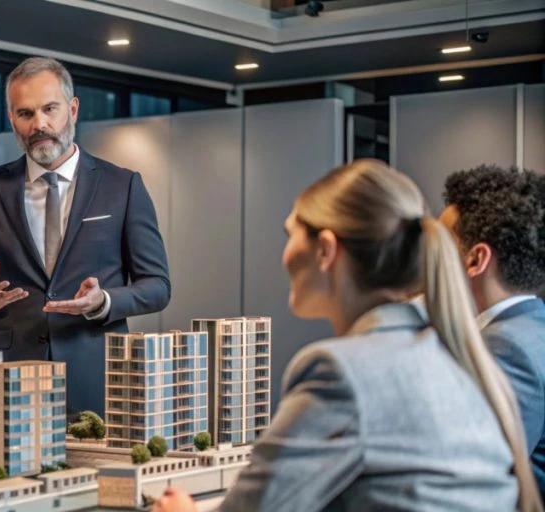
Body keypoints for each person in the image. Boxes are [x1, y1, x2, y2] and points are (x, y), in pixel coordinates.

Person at [152, 159, 540, 512]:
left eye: (291, 233)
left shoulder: (340, 371)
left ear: (325, 250)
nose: (284, 253)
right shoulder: (455, 354)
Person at [0, 57, 170, 415]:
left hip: (99, 373)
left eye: (50, 109)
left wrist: (104, 301)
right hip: (12, 375)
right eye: (26, 113)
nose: (39, 124)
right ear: (12, 118)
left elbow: (157, 286)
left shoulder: (122, 186)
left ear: (72, 109)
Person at [439, 164, 545, 497]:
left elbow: (472, 484)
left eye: (440, 246)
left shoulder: (504, 347)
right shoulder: (533, 327)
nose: (429, 259)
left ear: (475, 260)